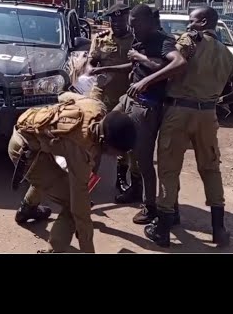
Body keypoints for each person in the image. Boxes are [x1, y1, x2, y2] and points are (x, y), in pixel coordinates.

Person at [144, 6, 233, 248]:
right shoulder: (227, 53)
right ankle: (219, 230)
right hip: (207, 115)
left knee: (169, 168)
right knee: (211, 169)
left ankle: (162, 228)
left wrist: (145, 74)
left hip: (179, 112)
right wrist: (221, 102)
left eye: (192, 21)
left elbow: (172, 65)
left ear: (203, 22)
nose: (189, 25)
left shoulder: (189, 41)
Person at [8, 91, 137, 253]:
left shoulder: (96, 107)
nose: (118, 156)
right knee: (71, 207)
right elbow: (80, 212)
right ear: (104, 142)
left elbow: (63, 96)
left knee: (57, 176)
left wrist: (57, 125)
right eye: (116, 152)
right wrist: (88, 250)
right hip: (25, 152)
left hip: (31, 135)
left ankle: (28, 208)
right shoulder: (81, 151)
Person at [99, 4, 187, 224]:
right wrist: (105, 69)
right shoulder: (141, 40)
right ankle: (133, 189)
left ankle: (151, 206)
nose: (132, 28)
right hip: (129, 99)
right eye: (131, 24)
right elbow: (134, 64)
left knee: (143, 159)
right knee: (104, 127)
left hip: (147, 106)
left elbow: (178, 63)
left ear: (148, 21)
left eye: (135, 23)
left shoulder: (162, 40)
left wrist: (146, 79)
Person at [86, 3, 139, 202]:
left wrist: (104, 70)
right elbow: (92, 60)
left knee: (122, 137)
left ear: (126, 20)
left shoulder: (135, 41)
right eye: (113, 20)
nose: (116, 24)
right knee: (92, 138)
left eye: (120, 20)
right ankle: (87, 185)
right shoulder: (100, 39)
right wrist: (92, 68)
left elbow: (135, 64)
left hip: (124, 94)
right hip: (100, 92)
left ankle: (120, 178)